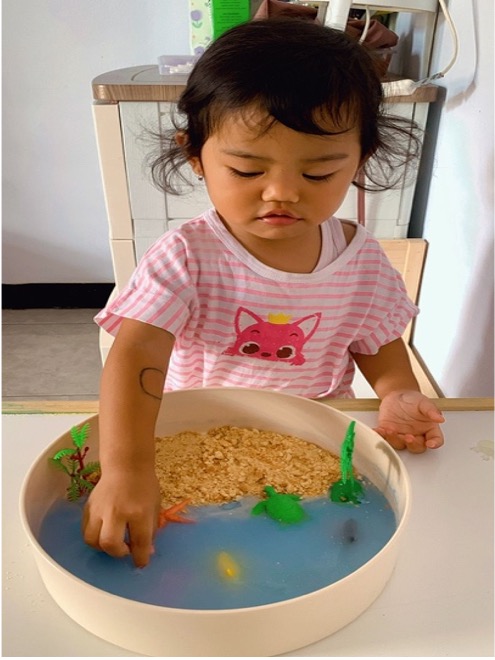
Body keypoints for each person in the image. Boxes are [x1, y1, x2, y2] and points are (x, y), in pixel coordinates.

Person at [83, 17, 445, 567]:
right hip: (196, 434)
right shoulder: (187, 255)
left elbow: (377, 344)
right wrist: (126, 469)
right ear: (195, 156)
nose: (281, 193)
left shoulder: (361, 261)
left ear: (360, 160)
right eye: (247, 170)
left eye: (318, 174)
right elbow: (137, 351)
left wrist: (396, 393)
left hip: (315, 442)